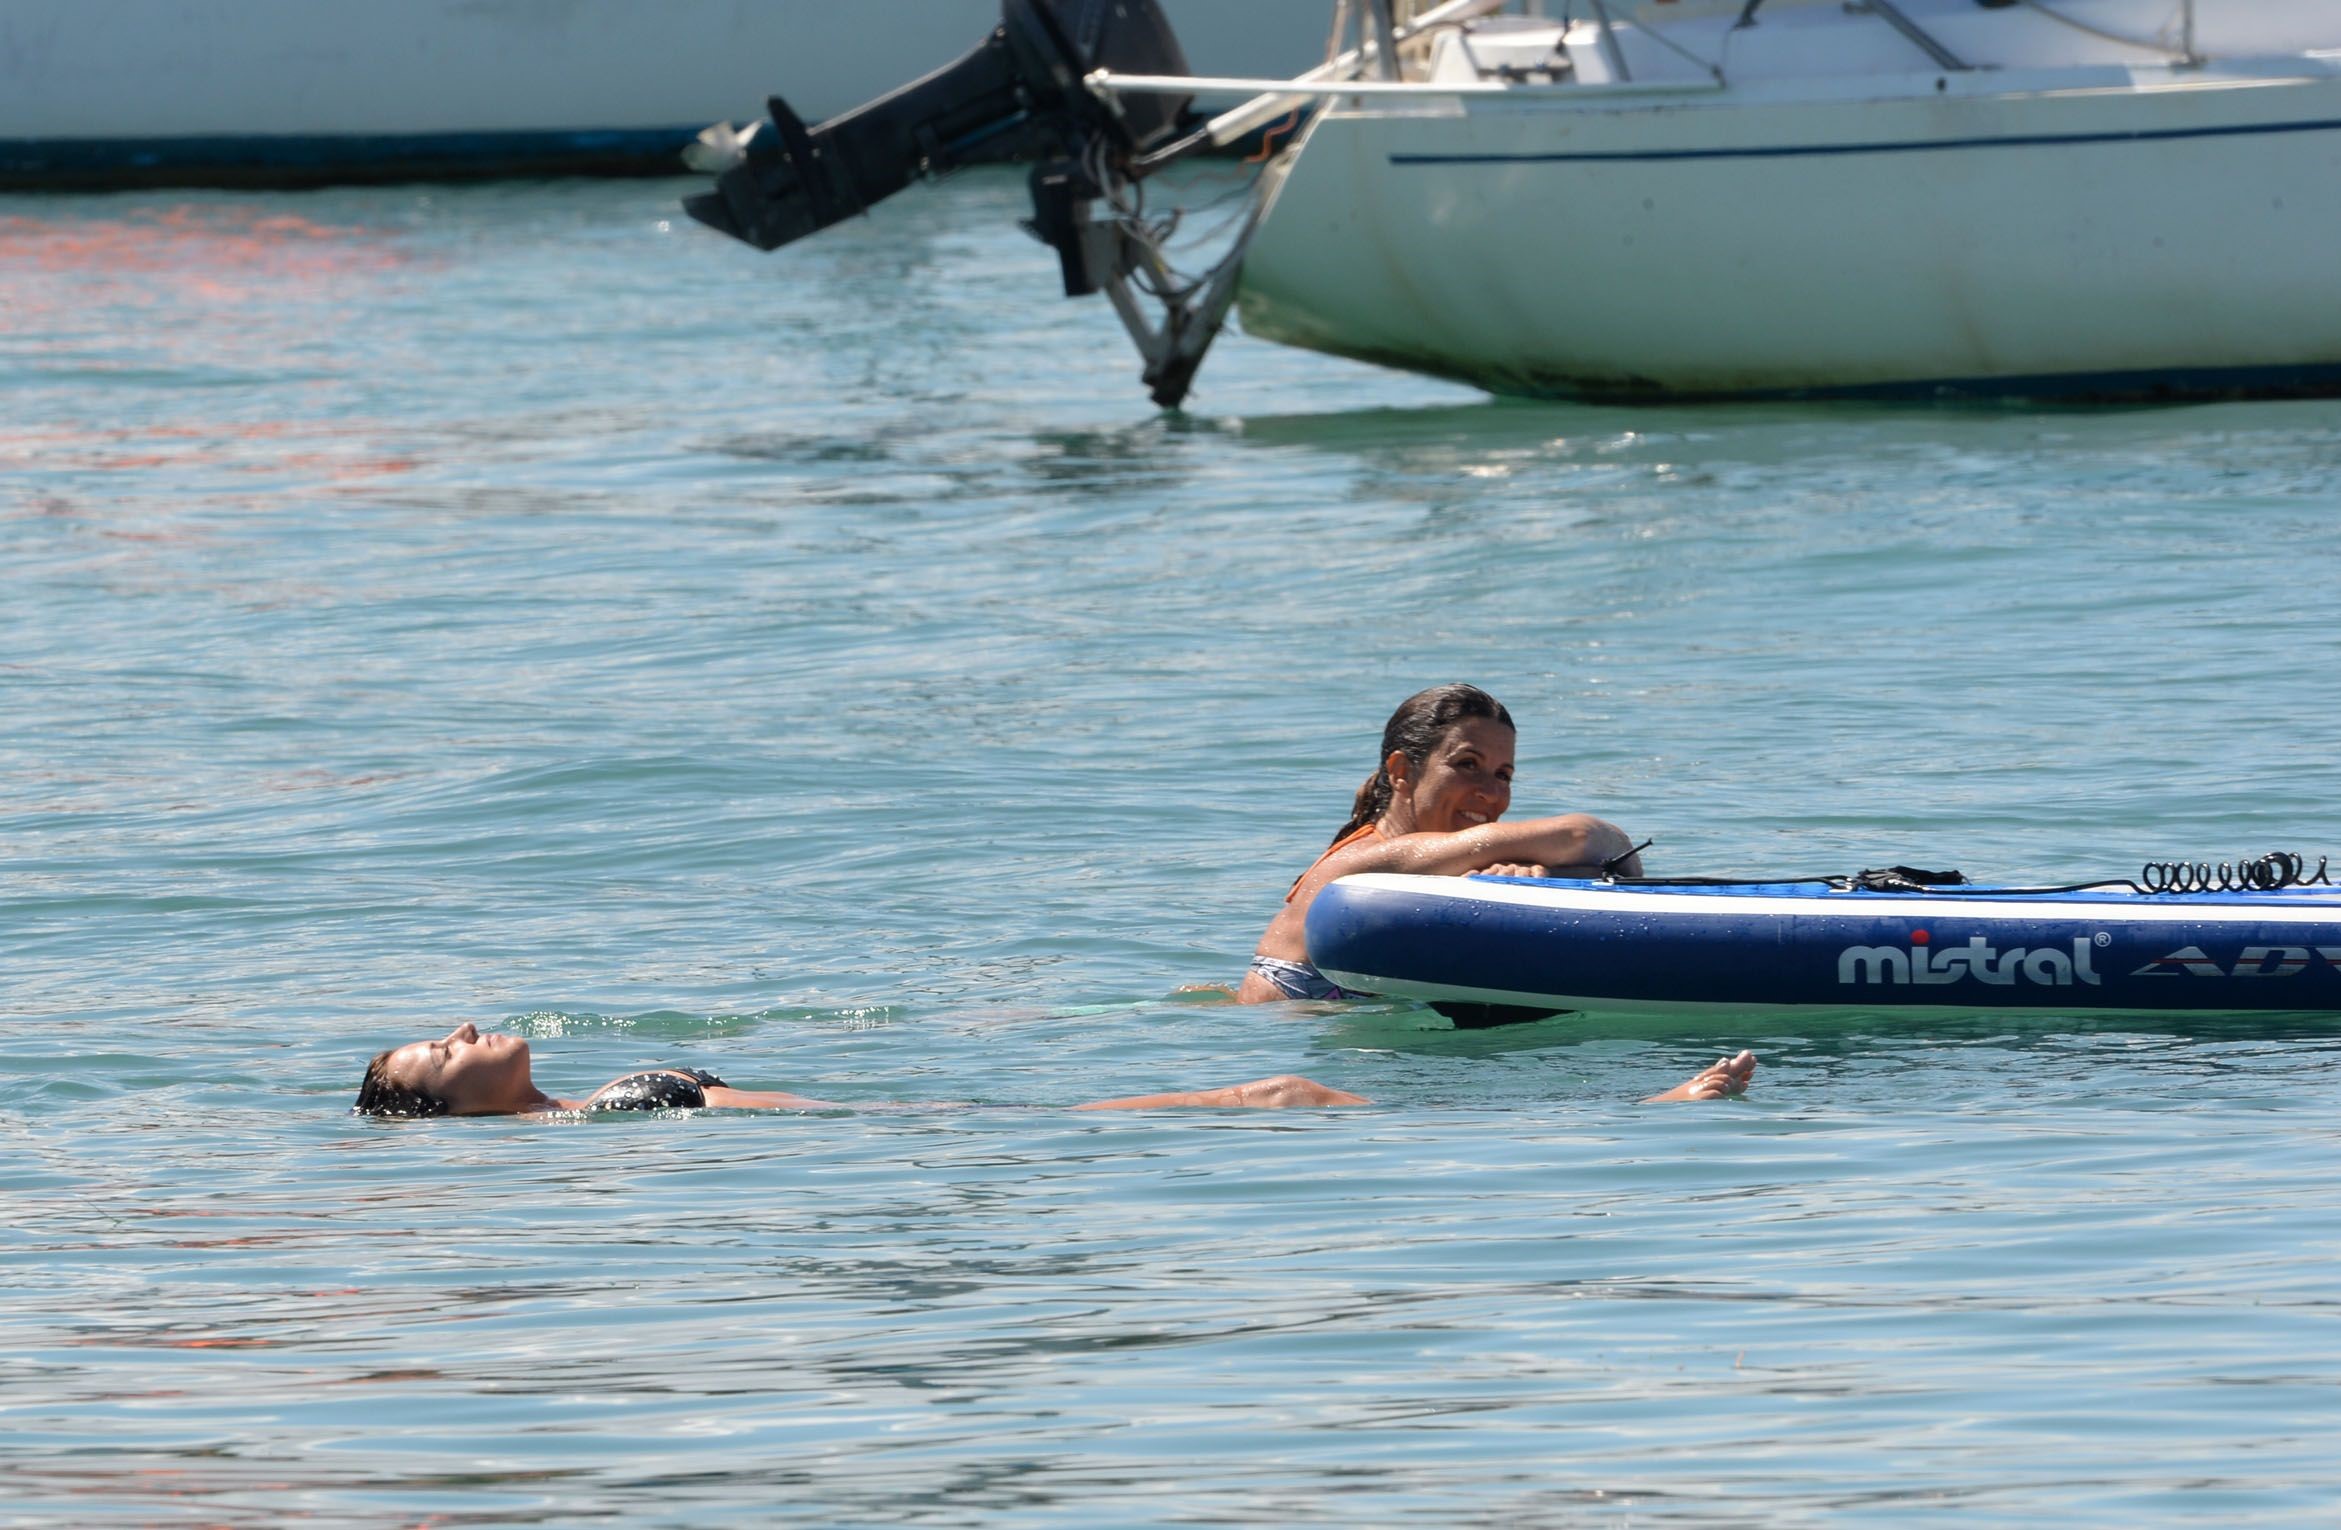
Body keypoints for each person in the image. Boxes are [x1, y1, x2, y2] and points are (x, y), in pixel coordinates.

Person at [1240, 682, 1648, 1005]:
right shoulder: (1373, 859)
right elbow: (1591, 837)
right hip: (1282, 1049)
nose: (1490, 792)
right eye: (1466, 765)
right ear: (1401, 771)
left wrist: (1539, 875)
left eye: (1503, 775)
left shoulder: (1432, 871)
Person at [354, 1023, 1756, 1116]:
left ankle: (1630, 1113)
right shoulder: (556, 1145)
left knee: (1287, 1100)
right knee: (1285, 1098)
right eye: (443, 1046)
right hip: (956, 1133)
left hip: (941, 1116)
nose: (471, 1026)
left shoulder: (582, 1106)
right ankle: (1641, 1116)